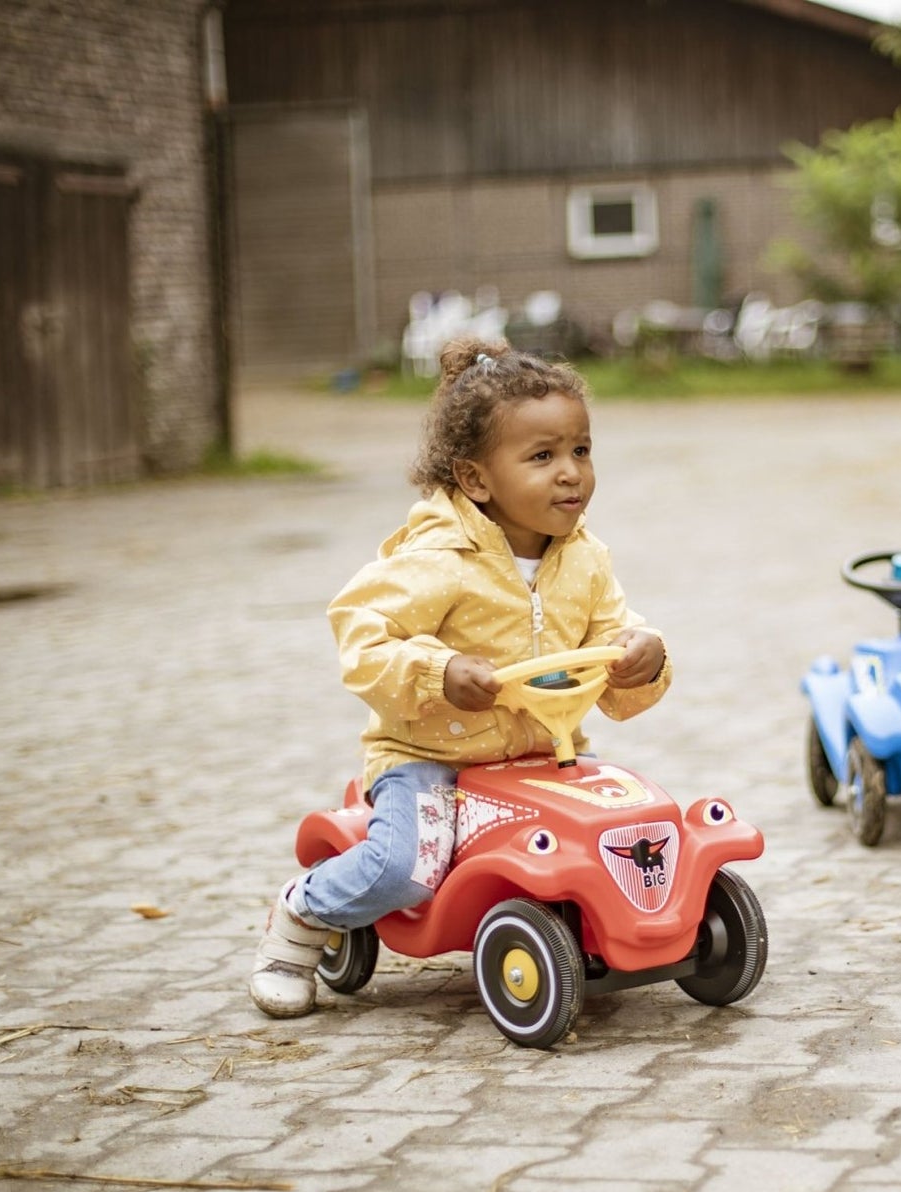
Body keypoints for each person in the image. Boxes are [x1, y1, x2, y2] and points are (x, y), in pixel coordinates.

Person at [249, 338, 670, 1017]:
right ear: (476, 479)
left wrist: (641, 655)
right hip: (432, 757)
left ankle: (634, 922)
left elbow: (611, 642)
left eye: (581, 451)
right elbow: (360, 631)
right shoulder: (439, 557)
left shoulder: (585, 560)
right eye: (542, 457)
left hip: (543, 753)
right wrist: (437, 672)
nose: (571, 474)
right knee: (406, 866)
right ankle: (301, 919)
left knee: (624, 817)